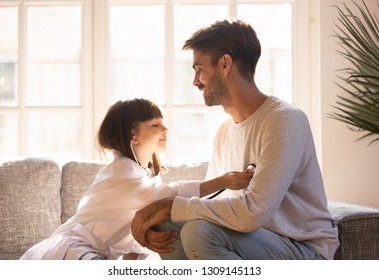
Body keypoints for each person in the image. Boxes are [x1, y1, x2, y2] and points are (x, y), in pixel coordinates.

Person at [131, 19, 340, 260]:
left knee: (200, 232)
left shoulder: (284, 120)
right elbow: (210, 204)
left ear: (225, 64)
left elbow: (253, 212)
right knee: (164, 227)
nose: (195, 82)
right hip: (248, 239)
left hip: (302, 249)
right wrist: (159, 214)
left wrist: (170, 205)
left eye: (199, 69)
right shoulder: (224, 132)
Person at [20, 98, 252, 260]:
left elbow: (128, 237)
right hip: (71, 249)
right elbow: (170, 195)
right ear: (133, 134)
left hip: (98, 253)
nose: (165, 129)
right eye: (155, 125)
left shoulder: (143, 174)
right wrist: (223, 181)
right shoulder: (122, 173)